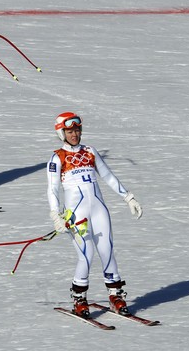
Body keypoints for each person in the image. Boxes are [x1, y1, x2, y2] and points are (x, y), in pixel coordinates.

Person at [46, 111, 143, 318]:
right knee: (86, 254)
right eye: (70, 131)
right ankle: (79, 298)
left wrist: (128, 197)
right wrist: (56, 216)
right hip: (76, 215)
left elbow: (108, 176)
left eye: (77, 130)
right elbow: (52, 189)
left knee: (107, 250)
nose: (75, 134)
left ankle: (116, 295)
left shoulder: (90, 151)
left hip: (99, 210)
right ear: (62, 133)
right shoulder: (58, 157)